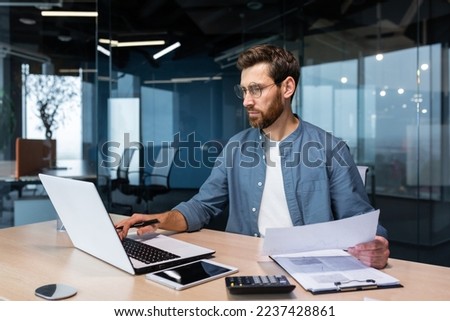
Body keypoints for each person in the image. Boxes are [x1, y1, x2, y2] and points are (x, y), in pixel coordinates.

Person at [116, 44, 390, 269]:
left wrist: (375, 244)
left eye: (256, 89)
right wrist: (155, 219)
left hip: (310, 268)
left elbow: (361, 222)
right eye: (244, 90)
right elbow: (202, 207)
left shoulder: (331, 149)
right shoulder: (235, 148)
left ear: (287, 88)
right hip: (243, 263)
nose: (247, 100)